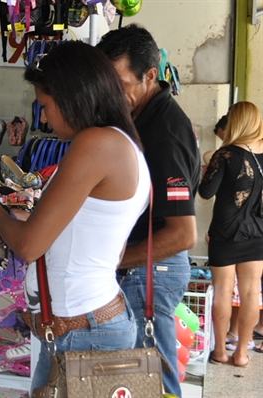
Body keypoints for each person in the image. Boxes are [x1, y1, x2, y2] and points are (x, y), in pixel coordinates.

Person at [0, 41, 150, 393]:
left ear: (73, 97)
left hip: (83, 332)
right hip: (84, 325)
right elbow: (88, 235)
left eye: (46, 106)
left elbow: (30, 245)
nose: (44, 118)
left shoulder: (96, 144)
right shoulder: (121, 143)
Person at [97, 24, 200, 397]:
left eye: (120, 83)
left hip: (152, 269)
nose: (112, 94)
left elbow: (183, 233)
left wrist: (117, 262)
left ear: (150, 76)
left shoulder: (164, 131)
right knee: (137, 373)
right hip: (144, 265)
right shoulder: (142, 118)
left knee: (151, 374)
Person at [199, 101, 263, 367]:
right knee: (250, 293)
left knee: (223, 291)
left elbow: (206, 192)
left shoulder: (224, 155)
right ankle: (241, 354)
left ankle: (220, 352)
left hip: (225, 232)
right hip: (258, 232)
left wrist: (205, 174)